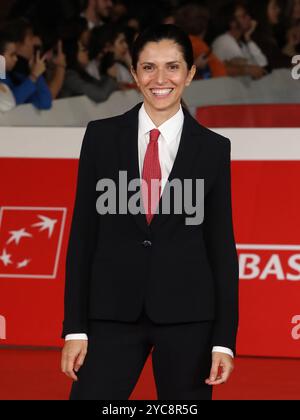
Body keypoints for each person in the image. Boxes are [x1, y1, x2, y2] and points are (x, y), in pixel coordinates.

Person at [61, 24, 239, 400]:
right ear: (134, 72)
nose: (161, 79)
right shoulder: (100, 136)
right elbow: (82, 236)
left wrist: (224, 341)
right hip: (111, 313)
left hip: (189, 317)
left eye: (173, 67)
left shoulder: (213, 149)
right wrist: (75, 328)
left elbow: (221, 248)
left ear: (190, 74)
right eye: (148, 67)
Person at [0, 24, 52, 110]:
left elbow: (45, 103)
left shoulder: (11, 77)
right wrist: (33, 77)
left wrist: (36, 75)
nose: (16, 59)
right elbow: (7, 103)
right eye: (12, 55)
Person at [212, 0, 268, 79]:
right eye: (244, 16)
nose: (249, 17)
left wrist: (248, 38)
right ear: (232, 22)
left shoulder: (241, 44)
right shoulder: (224, 41)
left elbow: (262, 64)